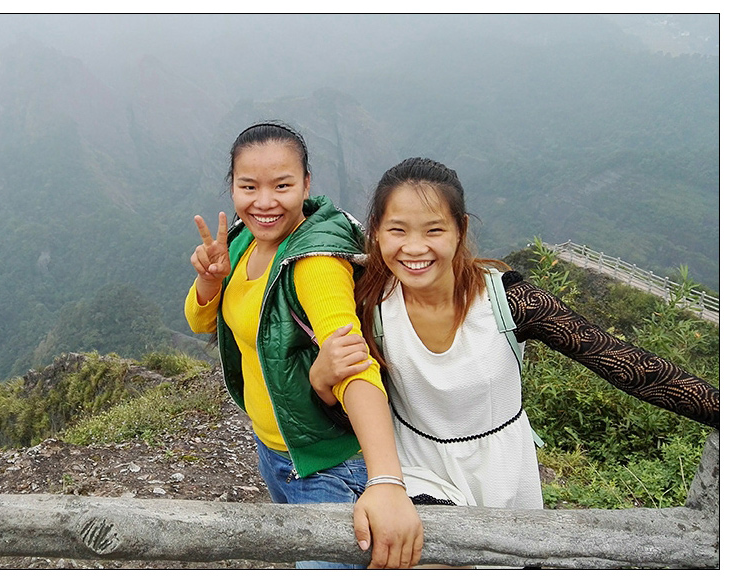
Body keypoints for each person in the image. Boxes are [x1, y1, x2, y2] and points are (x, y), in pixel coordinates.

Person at [309, 157, 720, 510]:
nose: (415, 248)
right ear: (377, 230)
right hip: (419, 471)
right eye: (398, 230)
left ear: (460, 229)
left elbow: (625, 364)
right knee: (436, 562)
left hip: (506, 470)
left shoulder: (507, 301)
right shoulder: (370, 307)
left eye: (433, 230)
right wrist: (323, 383)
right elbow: (352, 410)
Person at [184, 122, 423, 569]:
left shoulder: (314, 260)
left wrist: (387, 481)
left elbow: (354, 362)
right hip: (275, 450)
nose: (265, 201)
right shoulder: (241, 240)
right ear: (231, 187)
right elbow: (201, 321)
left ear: (307, 184)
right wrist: (209, 279)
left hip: (330, 467)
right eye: (248, 186)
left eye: (283, 185)